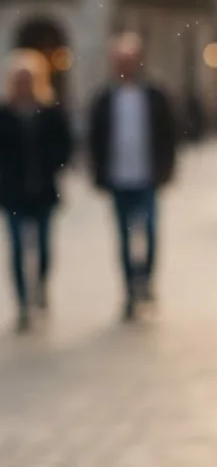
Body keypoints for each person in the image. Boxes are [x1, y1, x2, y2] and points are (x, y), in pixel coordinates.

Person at [88, 33, 178, 321]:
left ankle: (146, 281)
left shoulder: (153, 95)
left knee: (149, 232)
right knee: (124, 238)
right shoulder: (104, 98)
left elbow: (168, 133)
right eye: (120, 60)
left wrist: (167, 168)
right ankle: (129, 291)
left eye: (130, 60)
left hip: (147, 177)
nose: (125, 65)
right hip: (118, 178)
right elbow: (95, 139)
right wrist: (98, 174)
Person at [0, 50, 73, 332]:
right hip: (14, 192)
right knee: (18, 248)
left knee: (42, 247)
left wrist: (55, 162)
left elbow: (65, 144)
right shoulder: (4, 115)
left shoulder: (50, 112)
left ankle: (40, 285)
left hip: (43, 190)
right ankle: (22, 303)